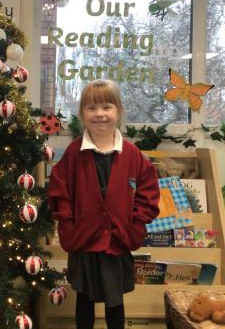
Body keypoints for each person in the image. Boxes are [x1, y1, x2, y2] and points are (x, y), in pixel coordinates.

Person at [47, 79, 160, 329]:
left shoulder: (132, 155)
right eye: (91, 108)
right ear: (82, 114)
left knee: (115, 301)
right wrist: (68, 225)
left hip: (117, 241)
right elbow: (59, 190)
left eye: (107, 107)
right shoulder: (73, 153)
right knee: (84, 300)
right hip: (83, 239)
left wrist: (136, 224)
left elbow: (148, 192)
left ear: (118, 111)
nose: (99, 114)